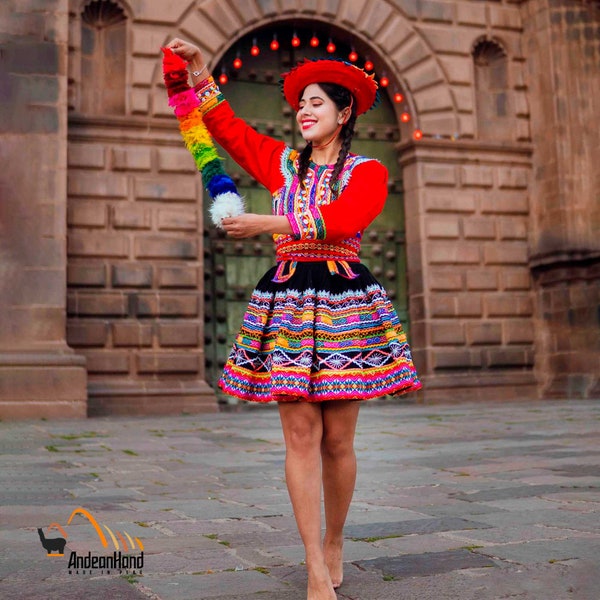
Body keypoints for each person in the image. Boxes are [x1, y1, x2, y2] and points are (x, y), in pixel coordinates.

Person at [166, 38, 421, 600]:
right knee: (300, 434)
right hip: (287, 301)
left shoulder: (369, 170)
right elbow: (229, 129)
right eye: (300, 103)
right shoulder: (280, 163)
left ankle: (335, 539)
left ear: (344, 111)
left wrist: (266, 222)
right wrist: (199, 75)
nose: (303, 111)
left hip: (343, 299)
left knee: (338, 439)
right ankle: (312, 563)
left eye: (316, 103)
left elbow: (344, 217)